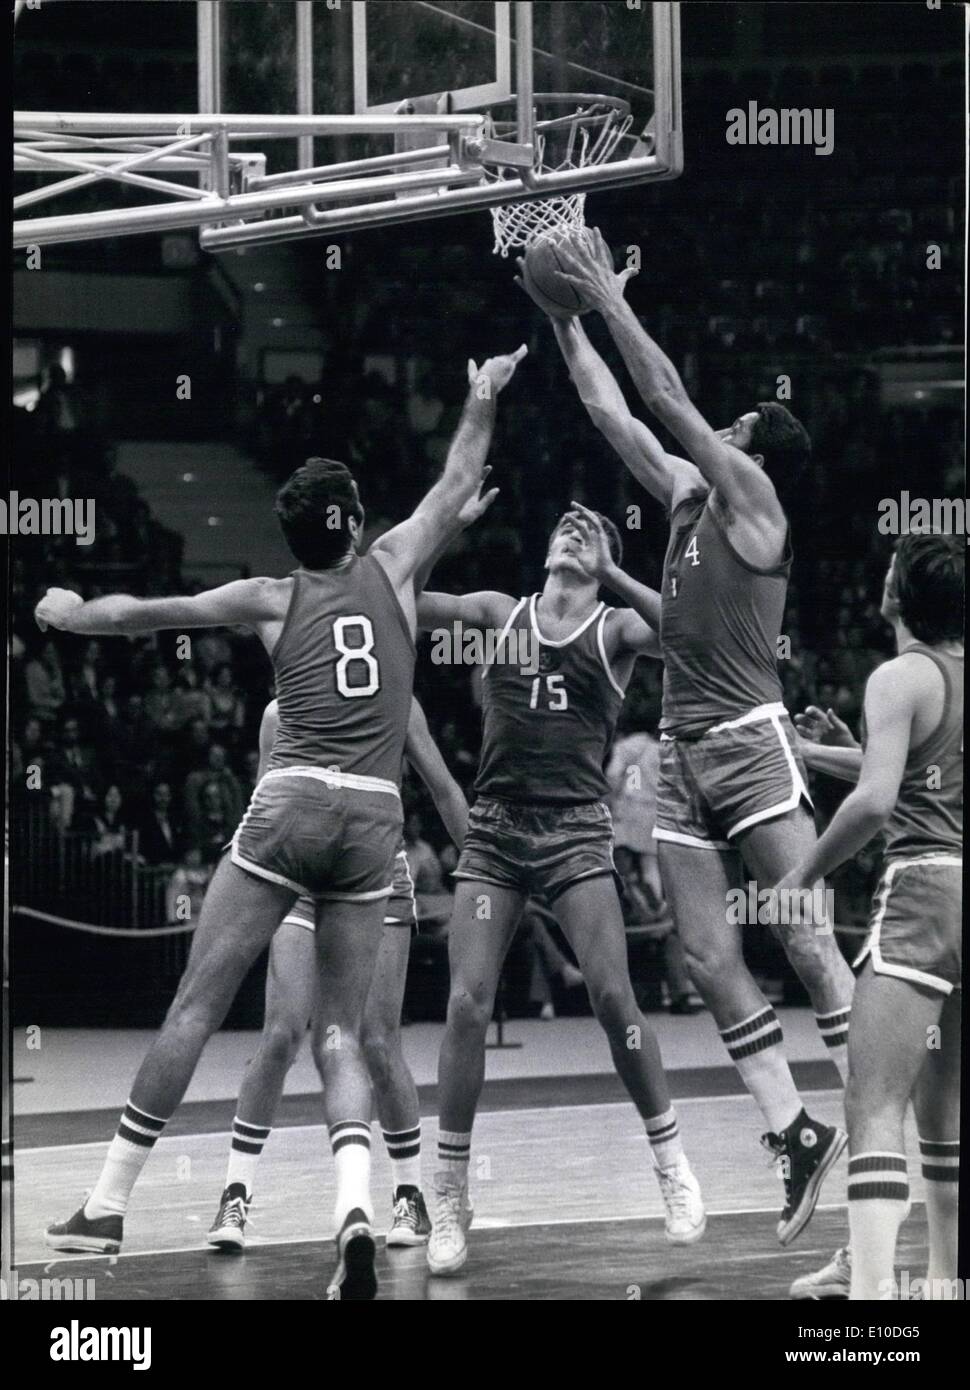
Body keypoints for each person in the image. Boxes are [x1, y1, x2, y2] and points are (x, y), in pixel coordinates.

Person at [38, 342, 526, 1300]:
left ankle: (105, 1206)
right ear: (351, 522)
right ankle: (354, 1209)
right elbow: (460, 473)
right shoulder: (394, 568)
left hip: (290, 797)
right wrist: (478, 393)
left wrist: (68, 610)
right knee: (342, 1032)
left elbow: (147, 613)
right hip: (373, 821)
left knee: (196, 1003)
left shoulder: (270, 597)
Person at [539, 231, 851, 1244]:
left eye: (737, 424)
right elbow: (611, 410)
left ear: (754, 455)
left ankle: (881, 1112)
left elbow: (666, 396)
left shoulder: (754, 505)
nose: (717, 425)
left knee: (802, 935)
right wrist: (562, 316)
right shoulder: (683, 498)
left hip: (753, 741)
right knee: (705, 955)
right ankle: (796, 1133)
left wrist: (607, 296)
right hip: (679, 751)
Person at [418, 503, 706, 1278]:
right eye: (565, 526)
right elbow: (397, 596)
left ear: (607, 556)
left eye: (592, 530)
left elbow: (688, 629)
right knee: (466, 1003)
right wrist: (446, 518)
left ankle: (671, 1161)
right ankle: (448, 1191)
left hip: (578, 828)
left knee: (615, 999)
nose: (572, 529)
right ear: (546, 550)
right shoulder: (495, 613)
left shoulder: (614, 629)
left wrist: (615, 571)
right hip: (497, 830)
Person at [207, 695, 467, 1252]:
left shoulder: (397, 702)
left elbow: (444, 788)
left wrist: (485, 872)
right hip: (296, 876)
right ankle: (235, 1196)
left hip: (375, 874)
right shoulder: (279, 712)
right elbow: (261, 806)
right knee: (280, 1033)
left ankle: (409, 1197)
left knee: (376, 1039)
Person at [780, 535, 962, 1301]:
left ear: (899, 595)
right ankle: (950, 1281)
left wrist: (802, 871)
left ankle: (874, 1301)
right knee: (945, 1109)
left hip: (924, 888)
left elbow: (879, 801)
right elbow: (914, 767)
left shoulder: (898, 675)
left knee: (873, 1097)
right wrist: (826, 754)